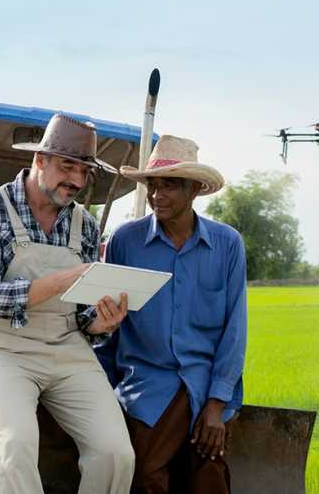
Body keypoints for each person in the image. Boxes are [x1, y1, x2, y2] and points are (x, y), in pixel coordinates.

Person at [0, 114, 135, 494]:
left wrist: (100, 323)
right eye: (66, 167)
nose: (75, 180)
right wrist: (61, 280)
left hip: (68, 352)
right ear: (39, 160)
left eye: (83, 171)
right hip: (3, 351)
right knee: (17, 445)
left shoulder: (85, 226)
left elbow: (82, 314)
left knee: (116, 453)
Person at [95, 135, 246, 494]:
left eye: (170, 185)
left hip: (207, 384)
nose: (156, 195)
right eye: (153, 185)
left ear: (194, 190)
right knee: (147, 473)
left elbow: (234, 329)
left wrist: (215, 405)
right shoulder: (125, 242)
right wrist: (99, 394)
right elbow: (109, 328)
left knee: (208, 474)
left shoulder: (226, 245)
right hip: (145, 383)